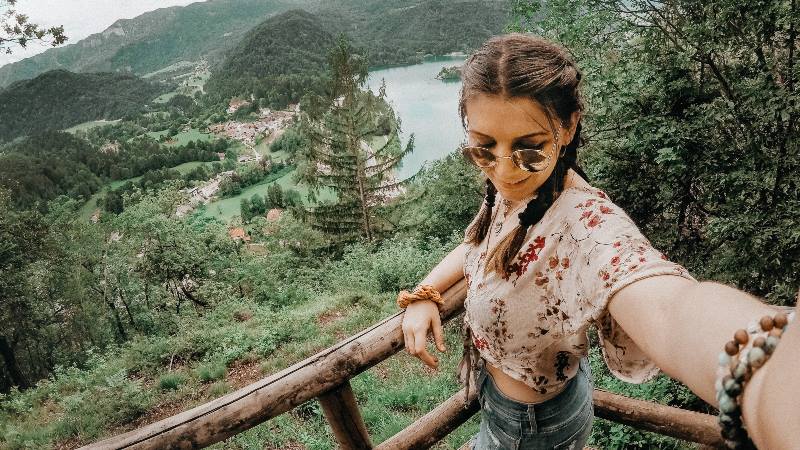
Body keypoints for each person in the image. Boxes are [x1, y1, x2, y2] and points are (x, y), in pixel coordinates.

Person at [399, 33, 799, 450]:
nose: (504, 169)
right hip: (504, 395)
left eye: (529, 148)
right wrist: (425, 294)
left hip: (534, 427)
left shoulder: (587, 228)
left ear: (568, 126)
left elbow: (667, 306)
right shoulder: (523, 189)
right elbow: (478, 246)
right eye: (483, 148)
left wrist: (767, 376)